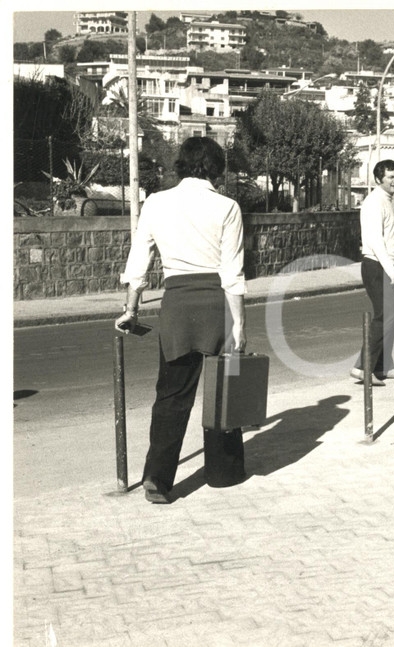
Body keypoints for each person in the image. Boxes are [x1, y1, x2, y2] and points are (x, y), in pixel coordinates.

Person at [115, 136, 246, 505]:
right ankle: (223, 472)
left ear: (181, 164)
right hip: (218, 304)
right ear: (216, 168)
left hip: (177, 305)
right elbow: (233, 272)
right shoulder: (227, 207)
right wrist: (240, 325)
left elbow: (138, 261)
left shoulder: (156, 203)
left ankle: (157, 478)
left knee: (172, 395)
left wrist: (131, 309)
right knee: (225, 391)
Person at [350, 159, 394, 387]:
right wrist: (390, 268)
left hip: (386, 264)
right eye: (390, 177)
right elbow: (375, 240)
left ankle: (383, 366)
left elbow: (390, 236)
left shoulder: (387, 200)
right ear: (378, 179)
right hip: (376, 265)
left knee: (390, 316)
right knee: (383, 316)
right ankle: (362, 368)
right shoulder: (374, 202)